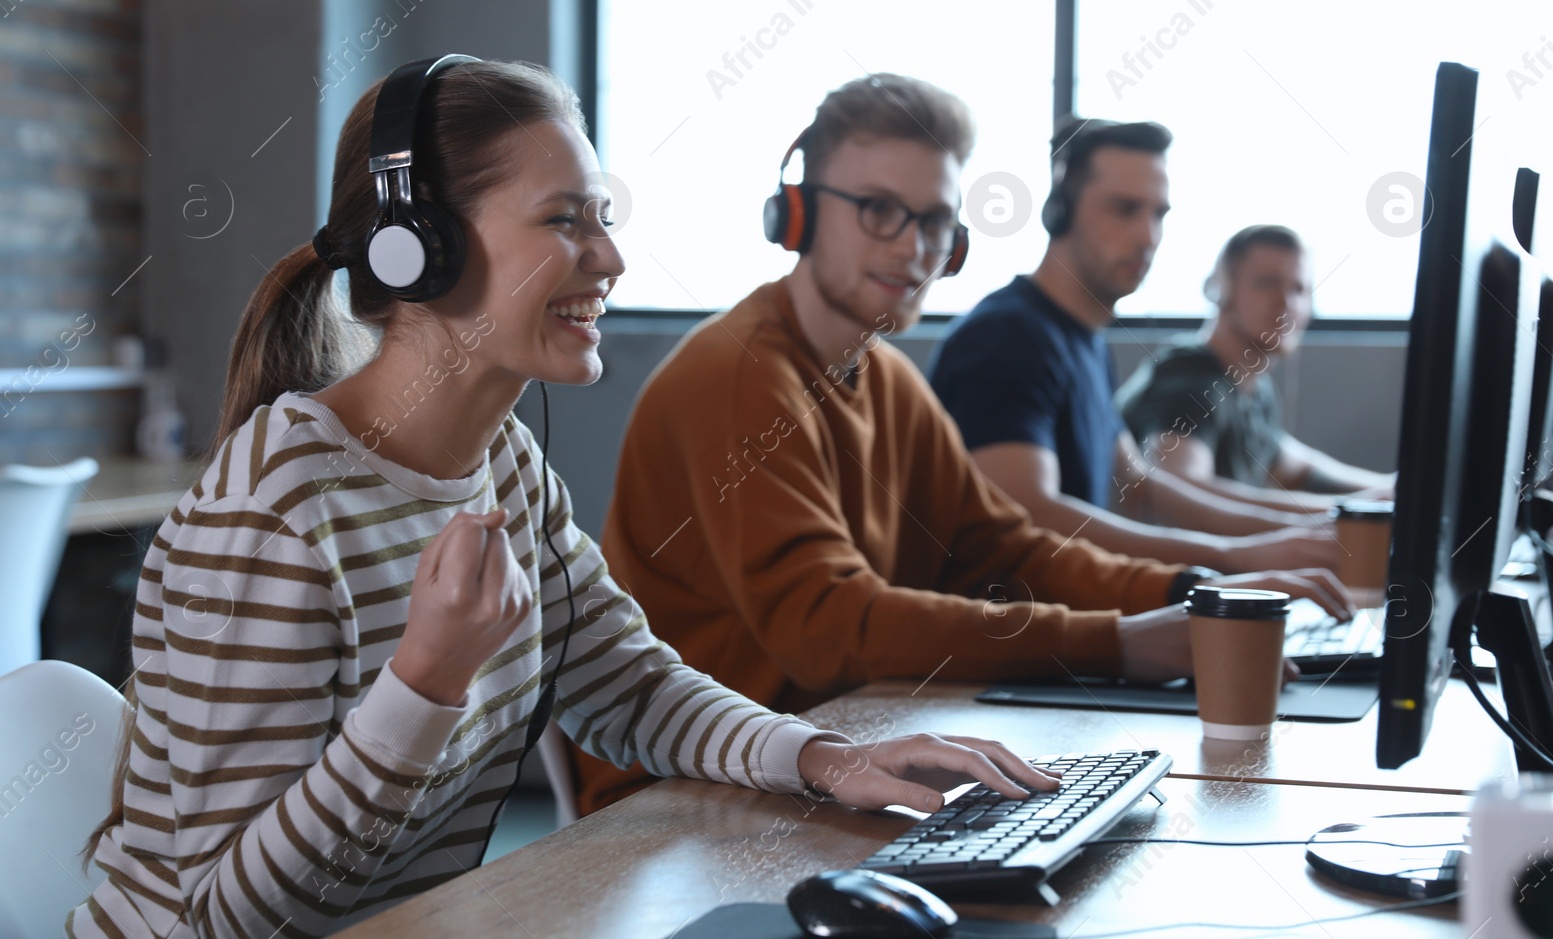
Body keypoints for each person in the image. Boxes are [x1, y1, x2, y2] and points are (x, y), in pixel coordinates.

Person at [65, 58, 1064, 939]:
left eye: (604, 217)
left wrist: (823, 757)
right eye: (563, 220)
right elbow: (224, 915)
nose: (611, 259)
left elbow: (627, 687)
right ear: (419, 246)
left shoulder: (505, 463)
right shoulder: (274, 511)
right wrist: (423, 681)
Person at [570, 75, 1350, 817]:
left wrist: (1186, 589)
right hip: (689, 796)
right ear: (797, 214)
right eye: (878, 209)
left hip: (849, 753)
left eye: (935, 220)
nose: (913, 246)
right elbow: (828, 627)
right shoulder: (741, 377)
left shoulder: (888, 379)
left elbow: (1006, 547)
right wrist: (1118, 642)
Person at [929, 117, 1350, 571]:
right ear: (1061, 211)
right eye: (1125, 209)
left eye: (1158, 214)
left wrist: (1302, 532)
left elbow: (1140, 484)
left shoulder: (1084, 341)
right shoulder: (1007, 338)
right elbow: (1032, 515)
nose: (1148, 236)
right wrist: (1234, 557)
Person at [1117, 223, 1395, 501]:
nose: (1286, 302)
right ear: (1220, 290)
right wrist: (1340, 514)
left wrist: (1390, 490)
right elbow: (1179, 494)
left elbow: (1297, 467)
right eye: (1267, 283)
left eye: (1299, 289)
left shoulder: (1253, 389)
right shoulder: (1192, 384)